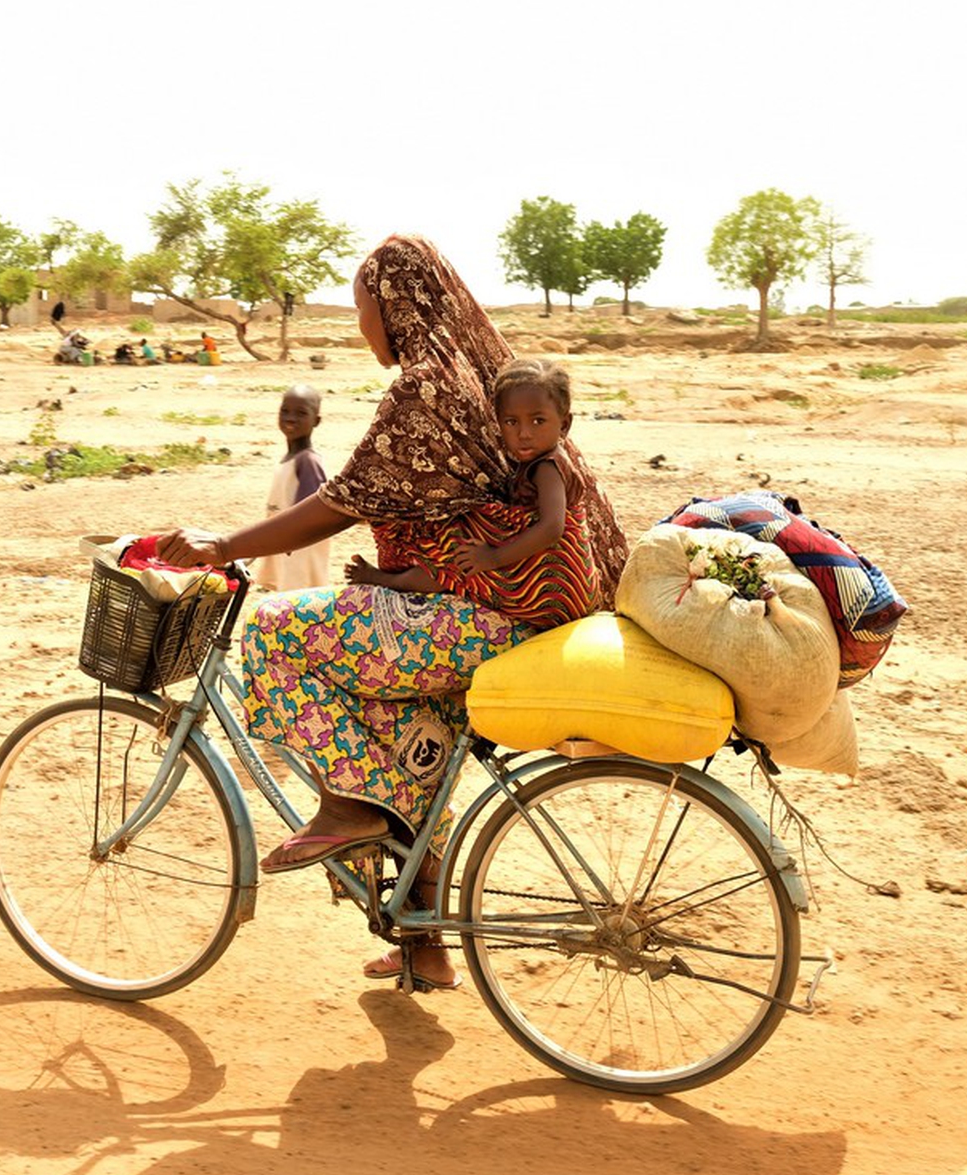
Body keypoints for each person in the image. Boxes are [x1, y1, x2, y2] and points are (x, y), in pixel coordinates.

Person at [158, 234, 627, 990]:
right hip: (490, 612)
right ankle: (425, 943)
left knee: (275, 635)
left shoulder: (427, 390)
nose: (361, 326)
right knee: (402, 752)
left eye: (362, 308)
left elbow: (341, 504)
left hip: (477, 614)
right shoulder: (474, 374)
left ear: (394, 305)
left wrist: (224, 547)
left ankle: (345, 808)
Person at [344, 358, 599, 628]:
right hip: (567, 591)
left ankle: (387, 581)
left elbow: (552, 528)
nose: (524, 433)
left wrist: (492, 558)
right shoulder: (534, 463)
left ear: (565, 425)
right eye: (511, 422)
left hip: (554, 589)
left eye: (538, 421)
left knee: (454, 556)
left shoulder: (548, 467)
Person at [251, 385, 332, 592]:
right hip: (286, 546)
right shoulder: (290, 459)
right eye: (285, 411)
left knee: (297, 605)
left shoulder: (308, 461)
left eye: (301, 413)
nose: (290, 418)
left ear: (317, 421)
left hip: (299, 553)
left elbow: (309, 511)